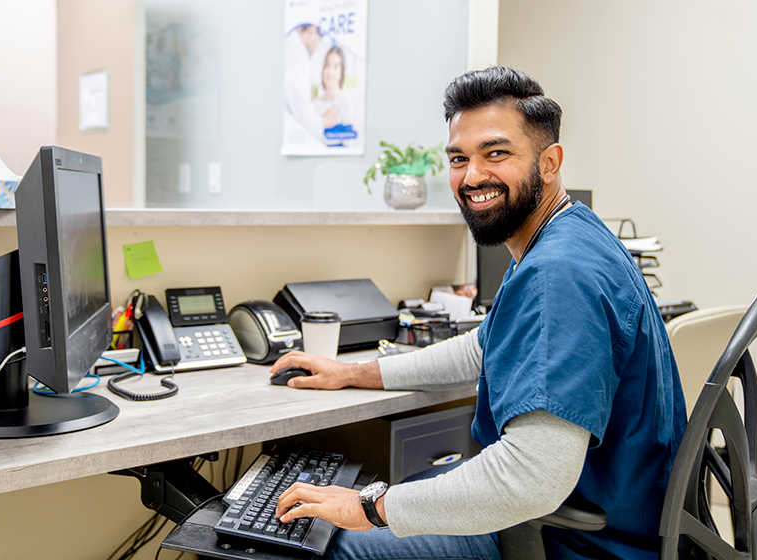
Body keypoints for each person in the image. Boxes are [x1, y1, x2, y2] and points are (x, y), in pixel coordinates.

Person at [270, 66, 687, 559]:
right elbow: (482, 346)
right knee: (385, 497)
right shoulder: (565, 235)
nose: (472, 177)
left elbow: (531, 480)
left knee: (325, 546)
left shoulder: (558, 274)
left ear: (549, 161)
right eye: (458, 158)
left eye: (496, 153)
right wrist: (354, 372)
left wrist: (370, 506)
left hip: (579, 541)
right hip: (598, 514)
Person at [284, 24, 339, 139]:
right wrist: (324, 122)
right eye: (319, 40)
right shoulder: (299, 54)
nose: (316, 47)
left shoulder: (289, 45)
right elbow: (301, 113)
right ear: (312, 30)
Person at [312, 46, 354, 144]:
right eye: (327, 65)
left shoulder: (345, 102)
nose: (330, 71)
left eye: (336, 67)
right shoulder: (315, 104)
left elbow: (349, 145)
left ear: (341, 73)